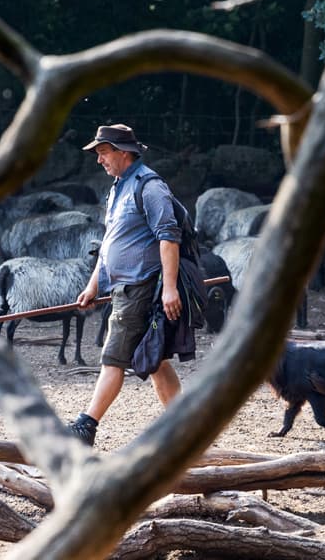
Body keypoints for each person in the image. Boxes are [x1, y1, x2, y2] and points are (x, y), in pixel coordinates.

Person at [67, 124, 195, 447]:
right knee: (155, 361)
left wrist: (169, 288)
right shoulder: (117, 189)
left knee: (113, 358)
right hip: (123, 288)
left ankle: (86, 426)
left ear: (124, 153)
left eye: (103, 152)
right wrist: (93, 286)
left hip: (140, 288)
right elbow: (111, 242)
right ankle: (185, 425)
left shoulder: (149, 187)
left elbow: (168, 236)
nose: (99, 160)